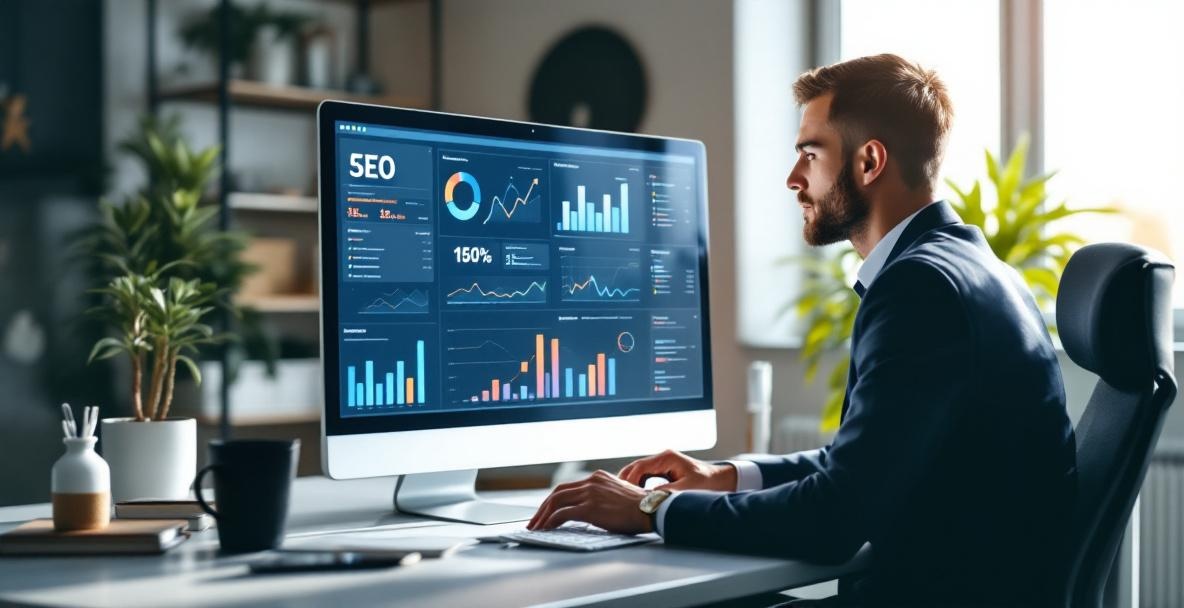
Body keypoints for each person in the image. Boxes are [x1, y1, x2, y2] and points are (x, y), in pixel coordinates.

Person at [527, 54, 1077, 606]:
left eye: (810, 155)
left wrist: (649, 509)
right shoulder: (973, 269)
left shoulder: (920, 289)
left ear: (869, 162)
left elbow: (834, 516)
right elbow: (866, 466)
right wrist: (723, 475)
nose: (794, 179)